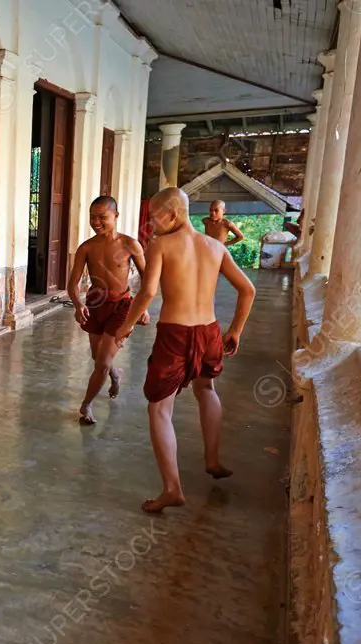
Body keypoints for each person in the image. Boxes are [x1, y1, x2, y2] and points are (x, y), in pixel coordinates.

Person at [114, 188, 256, 513]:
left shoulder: (161, 245)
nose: (150, 226)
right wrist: (235, 330)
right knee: (206, 388)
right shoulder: (216, 247)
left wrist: (126, 327)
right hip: (208, 331)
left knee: (159, 410)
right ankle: (213, 459)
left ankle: (172, 488)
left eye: (154, 217)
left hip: (175, 333)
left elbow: (148, 293)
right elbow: (248, 289)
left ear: (173, 214)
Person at [67, 196, 150, 426]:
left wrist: (143, 309)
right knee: (98, 358)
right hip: (95, 304)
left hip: (121, 307)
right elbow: (72, 284)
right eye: (92, 217)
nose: (96, 222)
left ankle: (86, 406)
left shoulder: (130, 244)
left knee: (102, 362)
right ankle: (115, 375)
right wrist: (78, 304)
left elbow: (148, 281)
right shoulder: (86, 247)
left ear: (116, 216)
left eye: (102, 217)